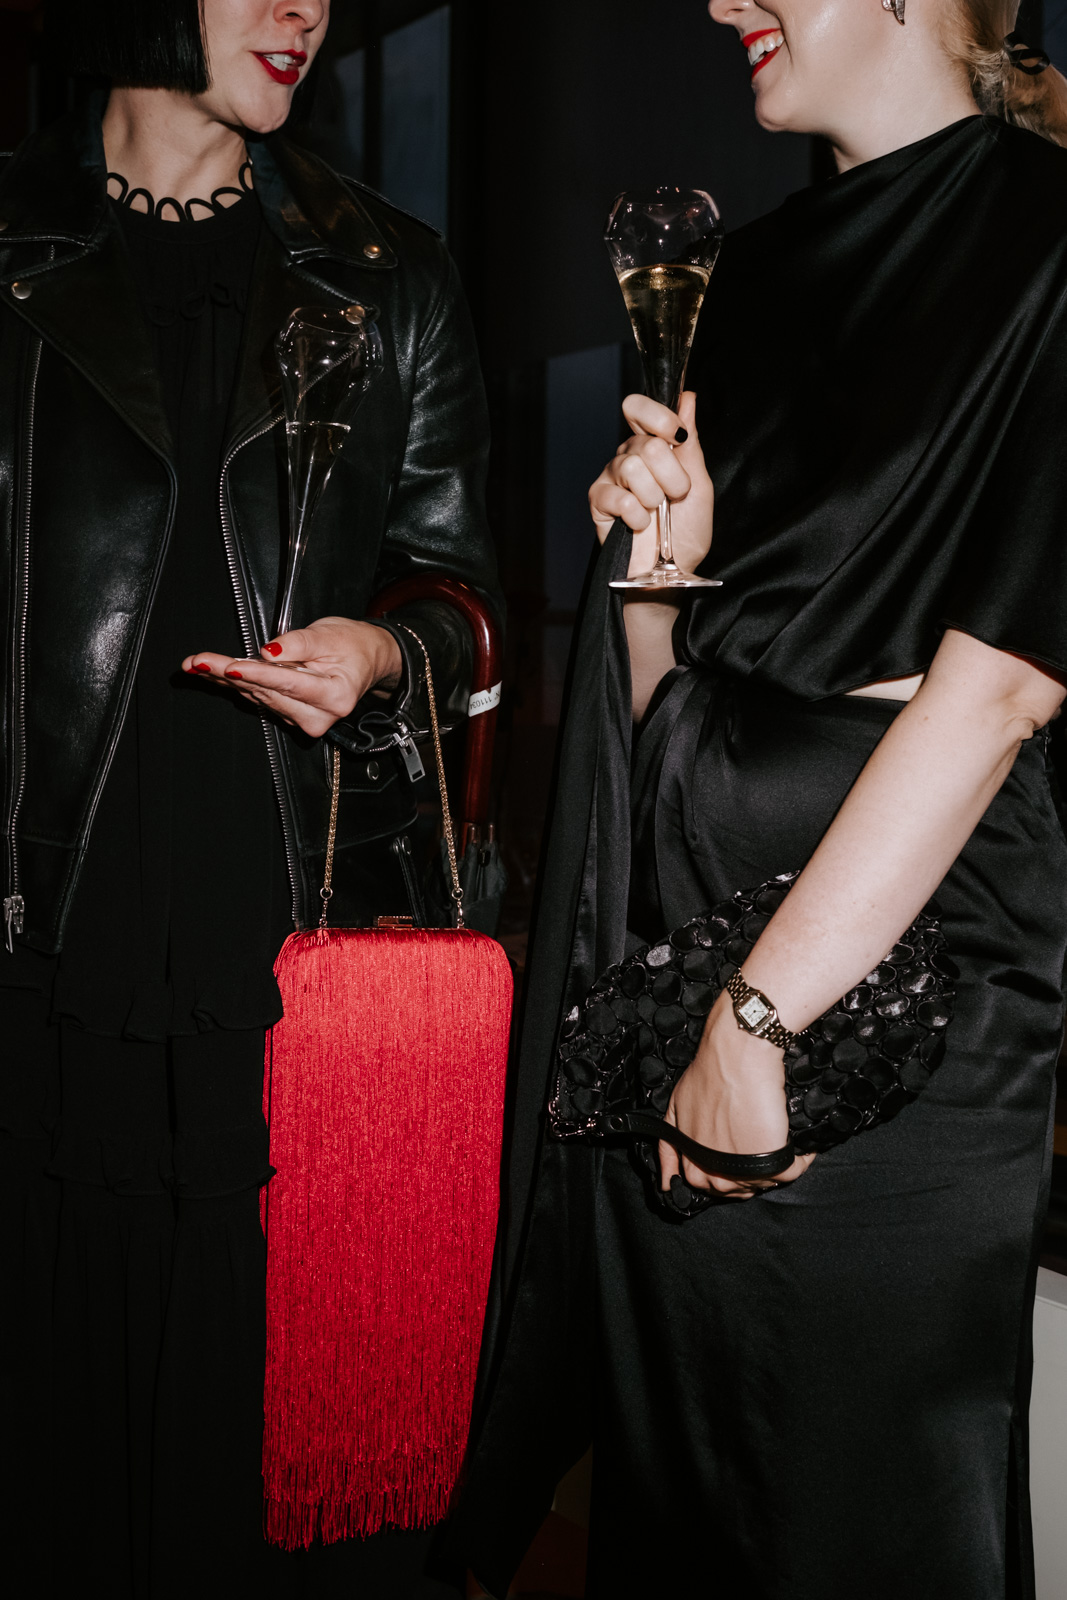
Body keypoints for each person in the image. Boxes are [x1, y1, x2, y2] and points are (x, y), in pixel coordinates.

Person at [453, 3, 1067, 1597]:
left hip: (892, 986)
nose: (724, 1)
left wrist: (762, 1022)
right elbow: (678, 714)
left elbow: (1000, 686)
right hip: (699, 965)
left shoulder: (1049, 237)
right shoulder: (752, 277)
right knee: (683, 1527)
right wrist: (662, 573)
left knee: (848, 1526)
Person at [0, 1, 498, 1595]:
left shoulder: (390, 275)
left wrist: (381, 642)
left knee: (249, 1408)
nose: (307, 11)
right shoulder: (6, 240)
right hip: (36, 924)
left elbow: (461, 597)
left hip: (277, 928)